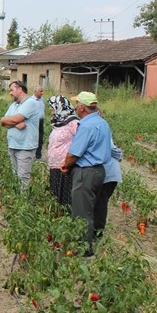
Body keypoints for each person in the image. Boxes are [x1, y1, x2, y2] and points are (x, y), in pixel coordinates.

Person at [60, 91, 113, 257]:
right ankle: (93, 241)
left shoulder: (86, 125)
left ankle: (84, 250)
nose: (76, 107)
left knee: (82, 212)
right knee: (93, 209)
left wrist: (65, 165)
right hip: (99, 171)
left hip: (86, 172)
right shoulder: (102, 122)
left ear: (82, 107)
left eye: (77, 104)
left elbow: (74, 153)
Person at [0, 80, 39, 186]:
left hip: (25, 147)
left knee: (23, 177)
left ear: (20, 89)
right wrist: (15, 123)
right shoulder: (14, 105)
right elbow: (3, 122)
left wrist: (11, 120)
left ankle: (23, 200)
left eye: (11, 90)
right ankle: (17, 197)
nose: (10, 93)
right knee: (15, 176)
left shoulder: (31, 103)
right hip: (13, 145)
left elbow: (15, 118)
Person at [46, 95, 79, 207]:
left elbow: (80, 141)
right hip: (55, 165)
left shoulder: (73, 122)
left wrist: (68, 162)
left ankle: (66, 218)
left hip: (65, 166)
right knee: (55, 195)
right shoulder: (58, 121)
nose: (51, 110)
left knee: (65, 197)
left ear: (60, 107)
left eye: (52, 107)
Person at [34, 85, 46, 159]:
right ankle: (33, 155)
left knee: (40, 138)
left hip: (41, 121)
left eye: (42, 91)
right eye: (40, 91)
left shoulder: (42, 99)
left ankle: (38, 155)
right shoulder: (31, 100)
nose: (42, 93)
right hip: (34, 121)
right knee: (34, 137)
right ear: (36, 91)